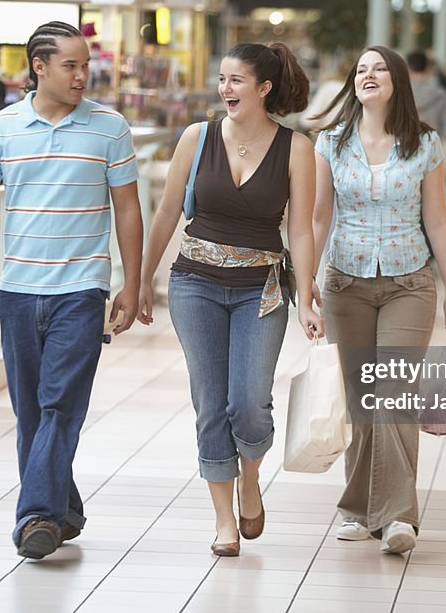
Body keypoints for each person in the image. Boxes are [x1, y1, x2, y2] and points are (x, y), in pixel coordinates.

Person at [0, 21, 143, 560]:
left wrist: (131, 282)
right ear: (39, 67)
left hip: (82, 290)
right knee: (32, 414)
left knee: (61, 405)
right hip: (17, 291)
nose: (83, 75)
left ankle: (35, 516)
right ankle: (65, 509)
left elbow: (127, 208)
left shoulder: (109, 128)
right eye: (71, 66)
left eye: (86, 65)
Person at [137, 42, 324, 557]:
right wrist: (140, 282)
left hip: (261, 291)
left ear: (264, 88)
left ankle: (250, 477)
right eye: (222, 79)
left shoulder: (297, 149)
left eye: (236, 80)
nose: (225, 89)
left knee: (249, 403)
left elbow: (302, 231)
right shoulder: (196, 138)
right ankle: (223, 521)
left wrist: (306, 299)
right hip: (194, 283)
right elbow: (166, 214)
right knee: (209, 404)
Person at [311, 46, 446, 555]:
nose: (368, 75)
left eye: (378, 68)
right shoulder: (330, 143)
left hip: (409, 281)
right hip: (345, 282)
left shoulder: (424, 143)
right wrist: (307, 280)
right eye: (360, 69)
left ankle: (398, 515)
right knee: (359, 399)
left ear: (396, 80)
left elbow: (437, 218)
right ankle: (358, 509)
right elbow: (317, 217)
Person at [406, 50, 446, 163]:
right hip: (433, 151)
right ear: (427, 66)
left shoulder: (400, 93)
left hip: (404, 151)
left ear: (408, 67)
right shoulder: (442, 94)